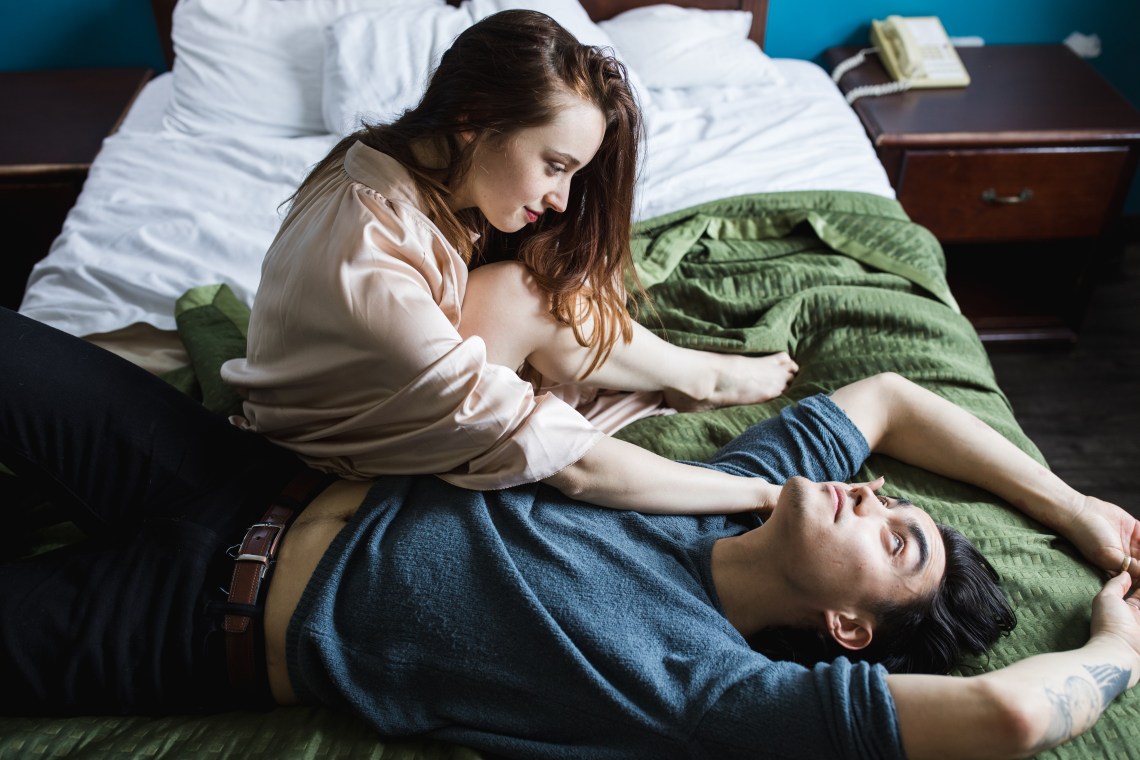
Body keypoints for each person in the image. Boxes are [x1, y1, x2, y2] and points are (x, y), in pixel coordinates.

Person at [3, 307, 1139, 759]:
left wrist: (1118, 651)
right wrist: (1074, 502)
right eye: (896, 502)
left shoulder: (710, 685)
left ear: (847, 627)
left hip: (190, 619)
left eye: (898, 543)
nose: (878, 499)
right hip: (231, 470)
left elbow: (1002, 713)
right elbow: (890, 395)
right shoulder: (740, 486)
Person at [218, 9, 798, 514]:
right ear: (473, 121)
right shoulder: (374, 264)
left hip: (341, 392)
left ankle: (693, 374)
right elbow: (576, 466)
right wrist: (760, 493)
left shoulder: (383, 163)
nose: (562, 199)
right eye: (554, 165)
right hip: (312, 461)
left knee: (539, 288)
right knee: (525, 295)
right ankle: (701, 375)